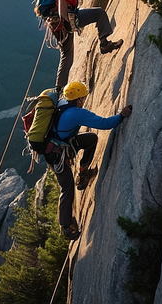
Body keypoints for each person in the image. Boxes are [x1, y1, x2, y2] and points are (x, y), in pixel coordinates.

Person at [43, 81, 132, 241]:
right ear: (77, 99)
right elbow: (105, 124)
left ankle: (82, 172)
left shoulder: (62, 102)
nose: (84, 99)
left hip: (58, 145)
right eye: (83, 97)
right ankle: (65, 226)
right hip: (57, 154)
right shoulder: (76, 113)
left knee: (90, 138)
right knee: (67, 187)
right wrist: (122, 115)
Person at [51, 0, 124, 90]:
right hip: (63, 23)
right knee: (99, 13)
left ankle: (58, 89)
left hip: (60, 23)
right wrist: (65, 21)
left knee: (67, 55)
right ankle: (104, 44)